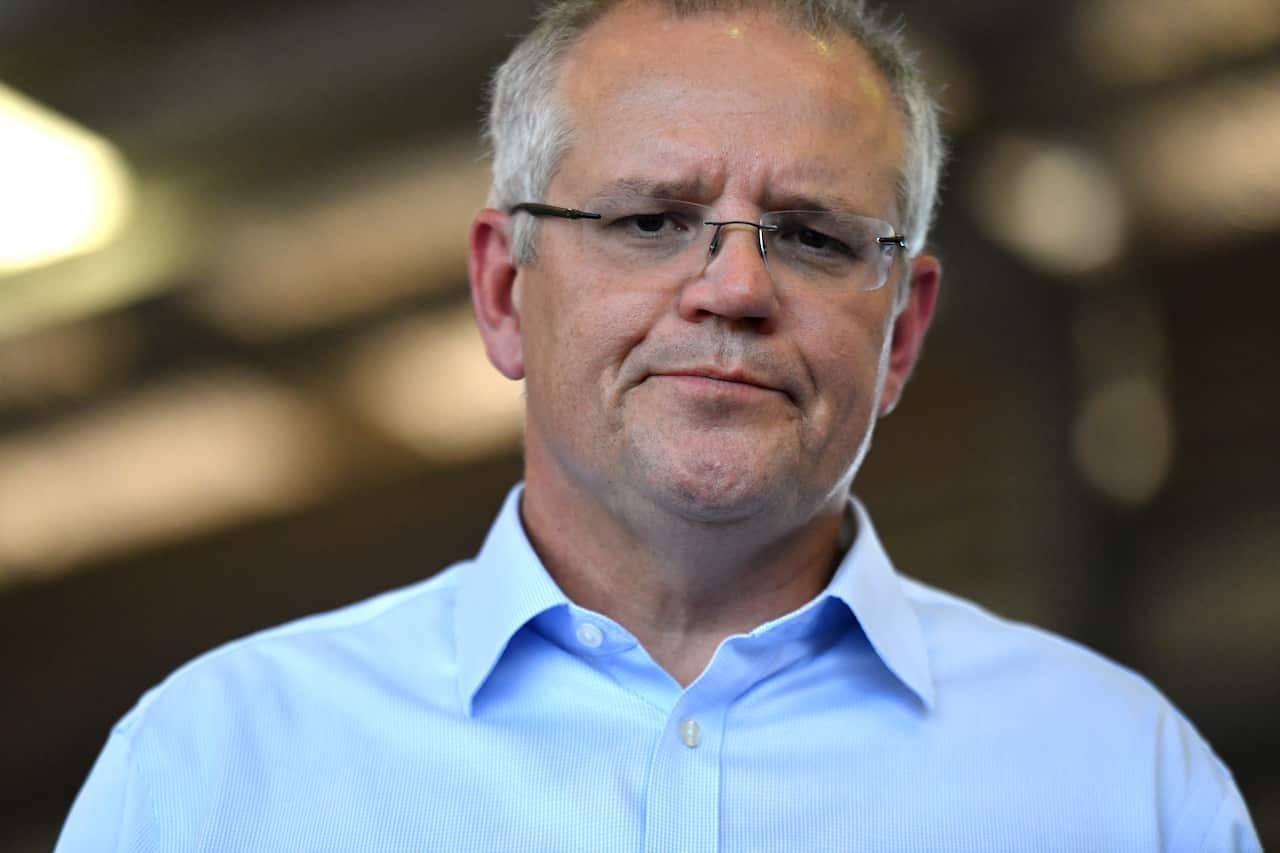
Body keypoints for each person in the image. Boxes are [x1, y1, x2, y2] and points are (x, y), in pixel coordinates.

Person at [58, 1, 1261, 850]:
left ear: (899, 330)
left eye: (811, 236)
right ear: (502, 291)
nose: (732, 288)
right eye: (648, 222)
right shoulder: (217, 768)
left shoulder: (1120, 783)